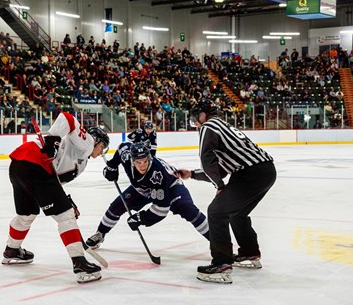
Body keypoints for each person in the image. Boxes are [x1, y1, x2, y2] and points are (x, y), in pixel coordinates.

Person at [177, 100, 276, 284]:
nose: (195, 123)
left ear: (203, 115)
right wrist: (192, 174)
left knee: (216, 211)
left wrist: (220, 187)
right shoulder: (223, 126)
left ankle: (221, 263)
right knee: (237, 214)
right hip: (266, 171)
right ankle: (249, 252)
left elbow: (207, 161)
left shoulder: (208, 126)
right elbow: (221, 168)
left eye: (195, 118)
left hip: (249, 174)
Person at [3, 112, 109, 284]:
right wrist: (53, 139)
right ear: (97, 141)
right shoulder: (87, 142)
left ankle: (12, 250)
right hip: (35, 163)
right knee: (65, 216)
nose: (101, 151)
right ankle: (80, 264)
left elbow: (53, 181)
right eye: (102, 147)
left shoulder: (81, 161)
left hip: (19, 166)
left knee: (27, 214)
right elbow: (67, 118)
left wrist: (64, 199)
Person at [86, 142, 209, 249]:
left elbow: (162, 209)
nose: (142, 165)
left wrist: (141, 218)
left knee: (187, 209)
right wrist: (112, 167)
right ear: (132, 160)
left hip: (170, 186)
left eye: (145, 161)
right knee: (117, 206)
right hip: (143, 188)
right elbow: (121, 148)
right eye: (138, 162)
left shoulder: (158, 173)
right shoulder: (126, 155)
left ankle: (217, 241)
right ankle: (100, 233)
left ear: (149, 158)